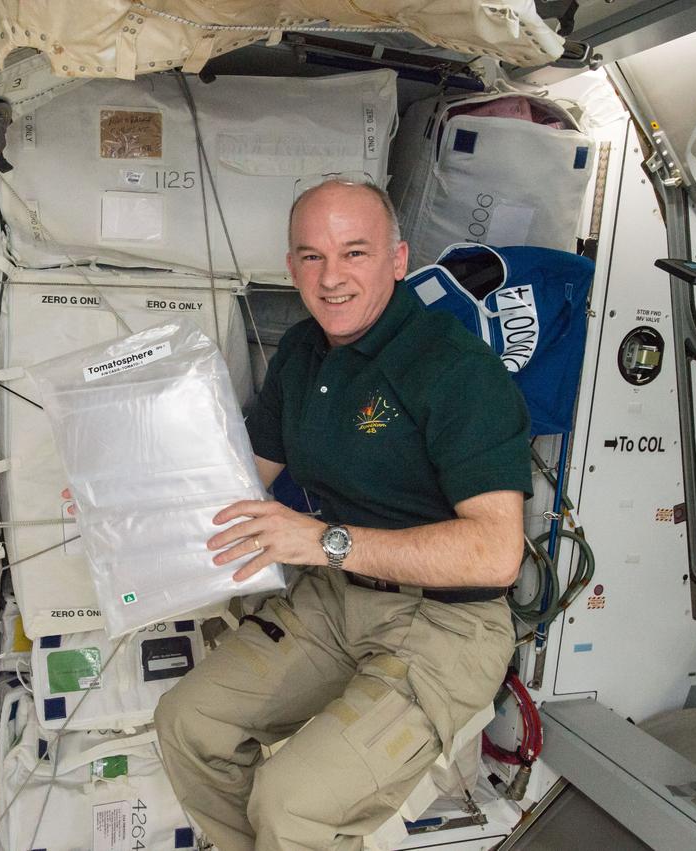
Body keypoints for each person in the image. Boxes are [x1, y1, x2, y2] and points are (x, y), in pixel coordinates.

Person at [151, 179, 533, 851]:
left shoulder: (452, 369)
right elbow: (243, 477)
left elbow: (494, 554)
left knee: (292, 802)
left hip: (445, 624)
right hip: (334, 602)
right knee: (190, 723)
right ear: (290, 263)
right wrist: (127, 499)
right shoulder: (302, 350)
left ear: (395, 258)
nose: (329, 278)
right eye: (309, 256)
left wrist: (323, 540)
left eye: (353, 253)